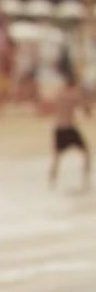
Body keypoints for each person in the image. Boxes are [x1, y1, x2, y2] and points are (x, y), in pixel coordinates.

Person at [49, 48, 92, 191]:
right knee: (86, 152)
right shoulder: (74, 93)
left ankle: (51, 183)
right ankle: (86, 181)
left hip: (57, 127)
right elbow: (85, 109)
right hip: (69, 127)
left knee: (56, 157)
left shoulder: (60, 92)